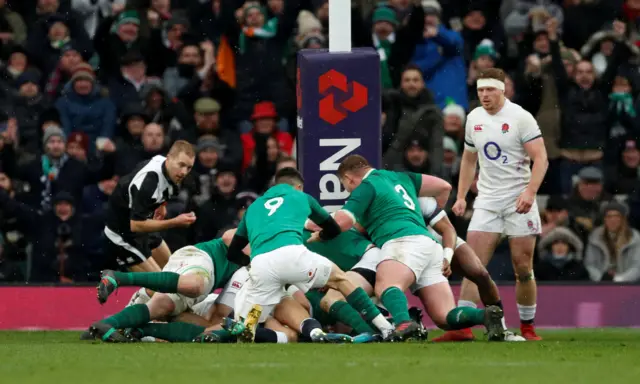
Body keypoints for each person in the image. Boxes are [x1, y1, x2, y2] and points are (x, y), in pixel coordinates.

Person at [313, 155, 505, 341]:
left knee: (386, 286)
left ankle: (404, 324)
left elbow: (343, 222)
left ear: (347, 178)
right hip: (429, 244)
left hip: (402, 242)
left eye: (344, 185)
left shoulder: (366, 186)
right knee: (444, 317)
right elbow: (444, 186)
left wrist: (322, 234)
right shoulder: (401, 177)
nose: (347, 190)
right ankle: (485, 315)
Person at [225, 167, 395, 342]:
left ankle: (237, 332)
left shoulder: (253, 207)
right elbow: (333, 228)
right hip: (293, 254)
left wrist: (251, 263)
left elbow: (232, 253)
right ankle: (385, 328)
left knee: (246, 329)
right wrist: (320, 236)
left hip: (261, 265)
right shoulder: (301, 197)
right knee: (340, 279)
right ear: (298, 187)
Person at [452, 68, 549, 341]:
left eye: (490, 90)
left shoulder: (521, 118)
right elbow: (469, 159)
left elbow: (541, 159)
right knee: (473, 265)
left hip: (519, 198)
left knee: (522, 267)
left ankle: (527, 327)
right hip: (487, 200)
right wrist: (461, 196)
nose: (484, 95)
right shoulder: (474, 118)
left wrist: (530, 193)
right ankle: (462, 327)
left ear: (502, 89)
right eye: (481, 90)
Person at [87, 229, 241, 342]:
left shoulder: (250, 275)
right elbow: (228, 237)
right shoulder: (260, 239)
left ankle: (108, 325)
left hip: (207, 283)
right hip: (204, 259)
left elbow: (218, 318)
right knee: (195, 285)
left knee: (164, 306)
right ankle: (119, 278)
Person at [102, 139, 197, 313]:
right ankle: (128, 317)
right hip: (123, 235)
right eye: (181, 165)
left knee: (173, 270)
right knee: (160, 287)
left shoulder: (171, 171)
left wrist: (161, 206)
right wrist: (175, 222)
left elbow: (164, 191)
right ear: (169, 158)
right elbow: (136, 225)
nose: (184, 172)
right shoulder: (149, 181)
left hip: (143, 226)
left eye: (189, 167)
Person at [418, 196, 524, 342]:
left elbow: (444, 188)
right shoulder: (379, 194)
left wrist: (460, 197)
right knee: (443, 318)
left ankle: (501, 330)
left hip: (435, 237)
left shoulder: (413, 187)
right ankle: (389, 326)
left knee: (481, 274)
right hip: (403, 245)